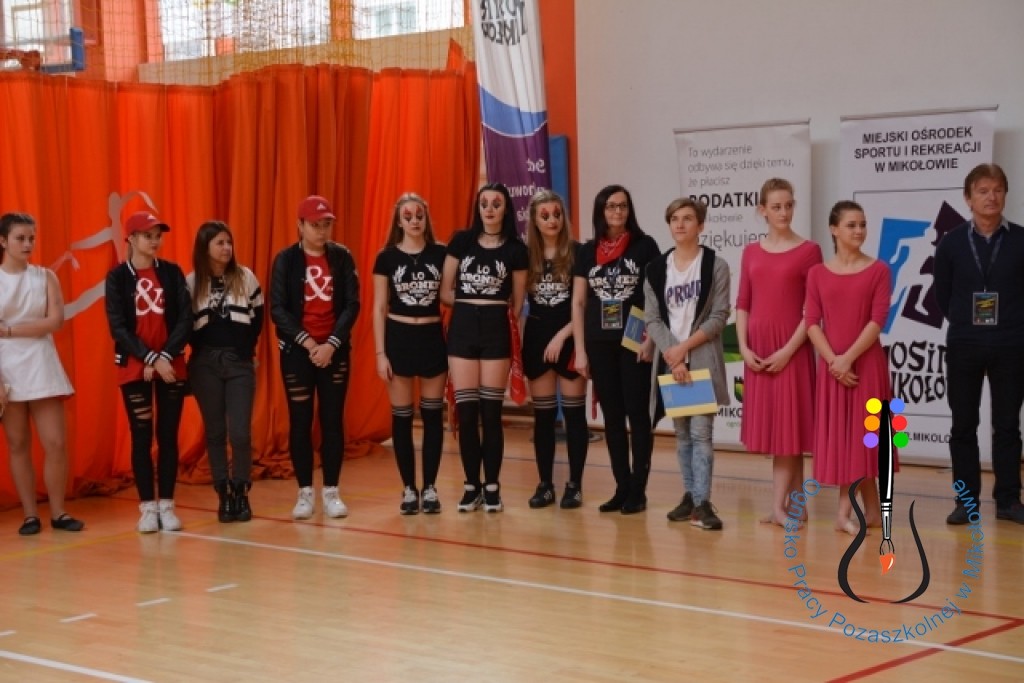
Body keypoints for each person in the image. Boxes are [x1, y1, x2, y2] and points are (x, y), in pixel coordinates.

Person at [934, 163, 1024, 524]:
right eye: (983, 191)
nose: (991, 197)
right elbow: (943, 294)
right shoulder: (951, 242)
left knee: (1007, 425)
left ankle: (1009, 500)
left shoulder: (1021, 240)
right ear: (968, 198)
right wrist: (966, 320)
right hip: (965, 343)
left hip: (1011, 343)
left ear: (1005, 195)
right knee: (963, 424)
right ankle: (966, 501)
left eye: (998, 190)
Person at [736, 178, 821, 526]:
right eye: (776, 207)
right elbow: (743, 303)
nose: (784, 212)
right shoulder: (751, 252)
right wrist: (743, 347)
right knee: (786, 432)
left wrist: (788, 350)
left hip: (792, 349)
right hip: (758, 350)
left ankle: (778, 508)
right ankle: (797, 505)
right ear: (763, 210)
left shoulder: (809, 251)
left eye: (788, 205)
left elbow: (812, 310)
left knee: (789, 431)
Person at [572, 184, 661, 514]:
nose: (617, 212)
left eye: (623, 206)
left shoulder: (644, 245)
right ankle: (621, 486)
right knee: (612, 417)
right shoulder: (587, 251)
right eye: (611, 206)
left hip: (634, 339)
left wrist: (651, 338)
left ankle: (638, 490)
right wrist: (580, 350)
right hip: (598, 342)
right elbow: (579, 302)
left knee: (637, 414)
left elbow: (656, 296)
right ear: (601, 211)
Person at [804, 201, 892, 534]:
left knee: (862, 438)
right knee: (848, 439)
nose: (859, 231)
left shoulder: (879, 270)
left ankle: (844, 514)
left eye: (862, 224)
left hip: (866, 366)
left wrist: (847, 359)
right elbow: (811, 323)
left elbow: (877, 321)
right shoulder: (817, 273)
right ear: (834, 229)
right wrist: (833, 361)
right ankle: (871, 511)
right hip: (833, 370)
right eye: (852, 225)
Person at [270, 195, 360, 520]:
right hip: (298, 352)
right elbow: (277, 309)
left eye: (326, 225)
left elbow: (352, 304)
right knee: (300, 420)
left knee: (332, 420)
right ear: (300, 225)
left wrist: (331, 344)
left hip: (333, 350)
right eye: (314, 225)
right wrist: (309, 344)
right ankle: (305, 492)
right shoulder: (286, 260)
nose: (321, 231)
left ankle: (331, 491)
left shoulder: (342, 257)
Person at [644, 198, 731, 529]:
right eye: (674, 219)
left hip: (701, 358)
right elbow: (652, 319)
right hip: (672, 361)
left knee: (701, 433)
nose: (680, 224)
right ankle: (691, 497)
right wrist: (674, 355)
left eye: (687, 218)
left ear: (701, 225)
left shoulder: (715, 265)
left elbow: (719, 317)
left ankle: (702, 502)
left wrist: (683, 350)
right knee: (681, 434)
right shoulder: (656, 269)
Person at [441, 183, 527, 513]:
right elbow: (445, 292)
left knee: (491, 414)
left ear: (506, 209)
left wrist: (489, 306)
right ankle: (470, 486)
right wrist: (471, 302)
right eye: (484, 203)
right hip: (463, 329)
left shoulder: (516, 249)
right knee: (467, 413)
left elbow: (517, 302)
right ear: (478, 208)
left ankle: (491, 486)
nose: (489, 209)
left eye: (496, 204)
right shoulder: (461, 241)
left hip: (496, 331)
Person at [105, 210, 192, 533]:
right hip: (135, 364)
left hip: (170, 364)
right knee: (141, 435)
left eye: (157, 236)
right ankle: (147, 508)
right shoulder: (117, 278)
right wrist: (150, 358)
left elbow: (185, 318)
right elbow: (118, 327)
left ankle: (167, 504)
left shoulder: (171, 272)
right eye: (147, 236)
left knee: (168, 434)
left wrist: (164, 356)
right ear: (131, 239)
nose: (154, 241)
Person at [0, 212, 82, 535]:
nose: (27, 244)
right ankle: (30, 515)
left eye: (31, 238)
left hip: (41, 363)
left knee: (55, 442)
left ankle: (59, 512)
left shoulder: (46, 276)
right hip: (6, 367)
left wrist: (8, 330)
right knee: (18, 443)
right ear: (3, 241)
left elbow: (55, 321)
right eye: (20, 238)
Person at [372, 193, 448, 514]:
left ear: (426, 218)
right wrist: (380, 353)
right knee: (402, 418)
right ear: (399, 221)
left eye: (419, 216)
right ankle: (408, 489)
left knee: (432, 417)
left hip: (431, 337)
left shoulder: (442, 253)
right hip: (399, 338)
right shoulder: (386, 257)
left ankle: (429, 487)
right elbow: (378, 307)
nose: (415, 221)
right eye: (408, 216)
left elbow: (451, 294)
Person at [186, 221, 263, 523]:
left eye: (229, 242)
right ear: (205, 247)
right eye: (219, 242)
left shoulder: (246, 277)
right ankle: (223, 493)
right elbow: (185, 326)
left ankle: (241, 489)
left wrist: (244, 351)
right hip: (205, 364)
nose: (226, 248)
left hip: (239, 362)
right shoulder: (192, 282)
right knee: (215, 431)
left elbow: (257, 319)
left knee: (240, 432)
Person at [522, 190, 588, 509]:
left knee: (574, 416)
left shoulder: (579, 252)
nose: (552, 220)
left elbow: (585, 304)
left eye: (557, 214)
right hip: (537, 338)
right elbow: (515, 305)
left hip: (571, 337)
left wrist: (563, 335)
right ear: (535, 220)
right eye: (545, 215)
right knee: (544, 417)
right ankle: (545, 484)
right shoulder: (526, 256)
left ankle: (574, 485)